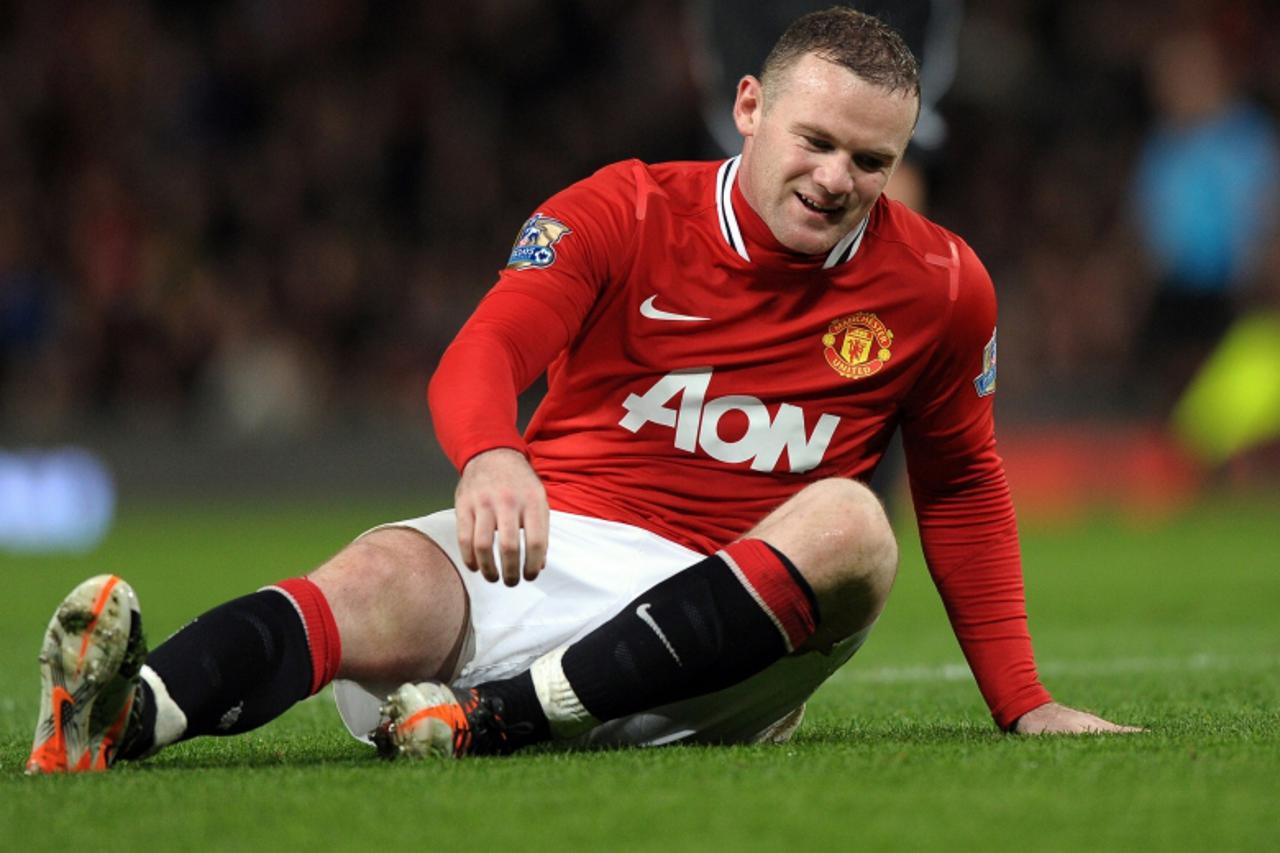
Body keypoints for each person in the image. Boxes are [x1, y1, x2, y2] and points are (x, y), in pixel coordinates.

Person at [26, 8, 1139, 775]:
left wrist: (1022, 700)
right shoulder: (623, 209)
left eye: (871, 161)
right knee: (373, 574)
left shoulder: (942, 285)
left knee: (854, 524)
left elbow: (960, 487)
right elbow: (482, 354)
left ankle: (491, 722)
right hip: (549, 546)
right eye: (815, 140)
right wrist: (492, 451)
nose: (836, 179)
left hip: (724, 638)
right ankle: (126, 717)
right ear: (747, 107)